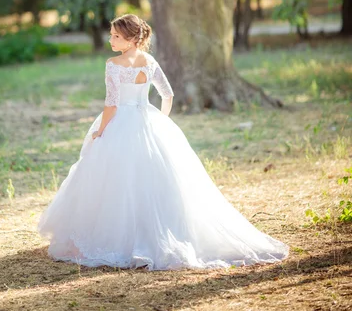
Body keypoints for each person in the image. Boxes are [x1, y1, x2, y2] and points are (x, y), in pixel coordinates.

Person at [37, 14, 289, 270]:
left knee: (114, 179)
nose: (110, 39)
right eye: (111, 34)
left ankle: (119, 237)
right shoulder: (149, 62)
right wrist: (159, 121)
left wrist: (99, 131)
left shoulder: (114, 64)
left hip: (120, 122)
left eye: (116, 36)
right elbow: (167, 94)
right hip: (147, 118)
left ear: (131, 39)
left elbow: (112, 103)